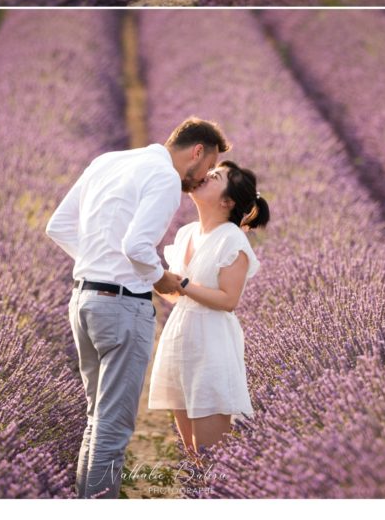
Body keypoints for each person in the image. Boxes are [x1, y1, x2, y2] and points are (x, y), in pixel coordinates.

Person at [45, 117, 230, 498]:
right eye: (207, 168)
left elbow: (58, 226)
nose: (201, 179)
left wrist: (99, 263)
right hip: (121, 308)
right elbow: (137, 248)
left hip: (83, 300)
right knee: (112, 430)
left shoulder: (107, 161)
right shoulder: (163, 176)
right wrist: (161, 277)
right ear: (196, 151)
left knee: (96, 421)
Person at [148, 160, 270, 453]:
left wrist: (183, 284)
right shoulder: (187, 233)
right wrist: (153, 278)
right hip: (180, 341)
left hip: (211, 345)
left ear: (227, 201)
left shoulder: (232, 240)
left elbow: (229, 300)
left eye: (215, 176)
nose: (205, 176)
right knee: (191, 453)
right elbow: (177, 295)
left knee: (210, 455)